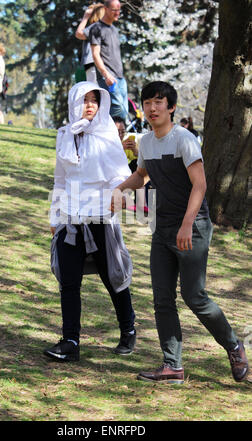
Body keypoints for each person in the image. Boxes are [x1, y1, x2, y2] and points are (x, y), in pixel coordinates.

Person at [111, 81, 249, 384]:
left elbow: (200, 185)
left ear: (171, 107)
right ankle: (172, 365)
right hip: (162, 229)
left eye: (159, 102)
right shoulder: (145, 142)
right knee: (162, 298)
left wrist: (188, 224)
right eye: (147, 102)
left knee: (194, 295)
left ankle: (234, 346)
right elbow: (142, 175)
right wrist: (121, 187)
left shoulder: (184, 139)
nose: (152, 108)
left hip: (193, 227)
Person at [44, 81, 136, 362]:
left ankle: (128, 329)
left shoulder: (107, 133)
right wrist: (54, 214)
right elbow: (61, 179)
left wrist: (120, 195)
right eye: (85, 100)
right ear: (74, 103)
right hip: (70, 218)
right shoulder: (64, 135)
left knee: (113, 277)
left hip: (100, 217)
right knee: (69, 282)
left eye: (95, 99)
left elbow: (119, 174)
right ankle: (70, 341)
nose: (90, 105)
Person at [89, 0, 128, 121]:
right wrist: (106, 75)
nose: (118, 13)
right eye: (114, 10)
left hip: (120, 77)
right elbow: (95, 54)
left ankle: (117, 139)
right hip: (108, 78)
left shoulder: (114, 30)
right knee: (117, 109)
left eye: (119, 10)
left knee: (124, 112)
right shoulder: (96, 28)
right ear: (105, 9)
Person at [75, 3, 105, 83]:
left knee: (93, 92)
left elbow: (78, 34)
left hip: (93, 65)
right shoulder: (105, 27)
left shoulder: (95, 26)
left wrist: (85, 17)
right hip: (101, 65)